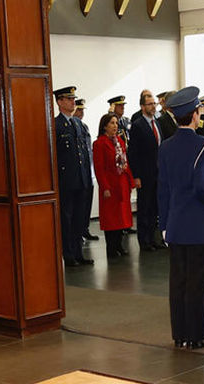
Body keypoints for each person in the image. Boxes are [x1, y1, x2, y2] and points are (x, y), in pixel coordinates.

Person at [158, 87, 204, 350]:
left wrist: (164, 226)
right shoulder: (203, 145)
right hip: (198, 226)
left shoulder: (165, 147)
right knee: (197, 283)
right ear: (195, 115)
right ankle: (196, 335)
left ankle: (180, 334)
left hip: (174, 225)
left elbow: (162, 190)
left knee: (178, 282)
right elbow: (203, 188)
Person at [54, 85, 94, 267]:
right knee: (67, 219)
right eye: (69, 99)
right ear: (60, 102)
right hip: (66, 181)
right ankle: (68, 254)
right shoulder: (55, 125)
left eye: (73, 99)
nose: (73, 102)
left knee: (79, 219)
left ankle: (78, 252)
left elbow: (84, 153)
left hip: (81, 179)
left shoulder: (78, 123)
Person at [92, 112, 137, 259]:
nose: (115, 126)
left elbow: (126, 162)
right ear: (105, 126)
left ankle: (119, 245)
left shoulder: (120, 141)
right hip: (110, 185)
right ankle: (111, 248)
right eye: (112, 123)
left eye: (116, 123)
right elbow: (99, 168)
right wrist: (104, 187)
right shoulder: (99, 143)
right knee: (111, 218)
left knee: (121, 217)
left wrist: (130, 181)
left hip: (122, 183)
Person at [129, 90, 166, 253]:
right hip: (144, 174)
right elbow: (133, 153)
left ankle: (154, 238)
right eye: (150, 104)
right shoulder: (138, 125)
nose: (153, 107)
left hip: (158, 174)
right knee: (144, 208)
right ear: (142, 106)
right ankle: (144, 241)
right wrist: (136, 175)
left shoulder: (156, 123)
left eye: (154, 104)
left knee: (155, 208)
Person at [74, 99, 97, 242]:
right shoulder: (70, 126)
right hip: (78, 173)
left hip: (89, 170)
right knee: (79, 205)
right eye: (79, 110)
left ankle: (85, 228)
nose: (81, 113)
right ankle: (79, 231)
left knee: (87, 202)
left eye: (83, 110)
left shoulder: (84, 127)